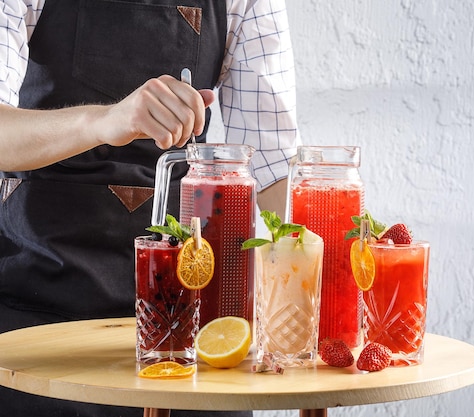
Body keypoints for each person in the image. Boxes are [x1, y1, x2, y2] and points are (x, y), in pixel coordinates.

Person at [0, 0, 300, 416]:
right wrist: (107, 121)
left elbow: (272, 173)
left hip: (191, 326)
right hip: (40, 316)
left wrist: (315, 279)